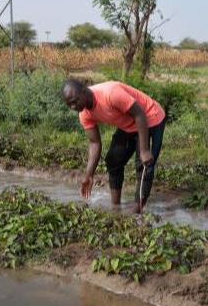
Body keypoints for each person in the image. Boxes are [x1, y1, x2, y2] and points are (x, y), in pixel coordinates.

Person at [62, 79, 166, 213]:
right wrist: (89, 175)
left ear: (83, 91)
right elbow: (94, 143)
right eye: (69, 105)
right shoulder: (84, 114)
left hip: (150, 117)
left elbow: (139, 114)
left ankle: (137, 209)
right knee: (113, 160)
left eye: (74, 102)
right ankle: (115, 206)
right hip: (129, 125)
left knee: (144, 164)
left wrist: (145, 150)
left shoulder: (110, 94)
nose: (73, 107)